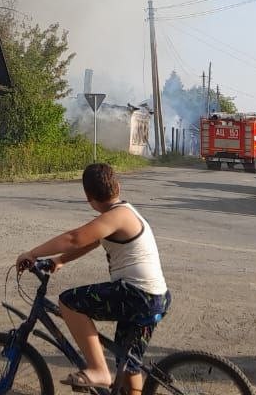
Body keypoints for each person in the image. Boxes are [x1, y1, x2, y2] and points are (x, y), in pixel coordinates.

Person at [15, 163, 169, 394]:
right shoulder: (123, 211)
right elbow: (92, 240)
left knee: (69, 302)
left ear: (88, 197)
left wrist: (33, 253)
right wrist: (60, 261)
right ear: (118, 186)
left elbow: (75, 238)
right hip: (155, 297)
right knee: (128, 363)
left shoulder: (116, 216)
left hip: (137, 294)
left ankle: (98, 369)